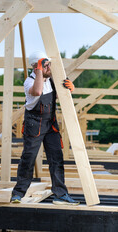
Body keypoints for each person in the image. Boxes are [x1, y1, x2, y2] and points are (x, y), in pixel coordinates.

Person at [11, 51, 79, 206]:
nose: (49, 67)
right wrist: (41, 71)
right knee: (28, 159)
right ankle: (17, 194)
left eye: (49, 64)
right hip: (34, 124)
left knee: (56, 159)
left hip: (50, 125)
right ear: (37, 67)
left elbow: (62, 92)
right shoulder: (30, 82)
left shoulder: (51, 80)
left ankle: (60, 195)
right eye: (45, 65)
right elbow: (37, 91)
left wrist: (71, 88)